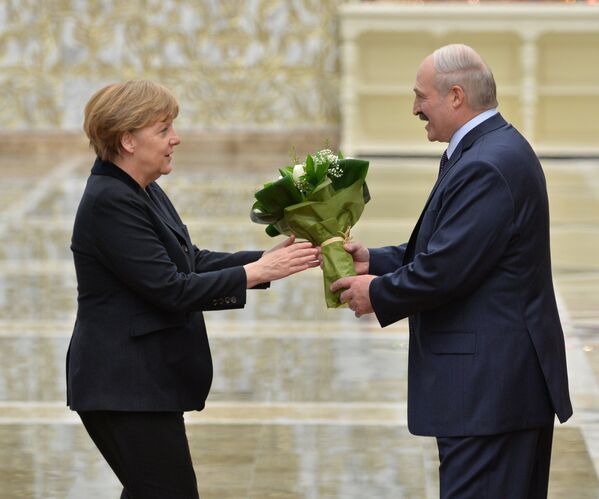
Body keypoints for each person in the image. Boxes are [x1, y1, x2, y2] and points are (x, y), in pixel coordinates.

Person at [331, 44, 572, 498]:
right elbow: (452, 248)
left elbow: (445, 270)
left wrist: (377, 293)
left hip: (491, 392)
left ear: (456, 96)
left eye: (421, 97)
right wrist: (375, 261)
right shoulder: (487, 149)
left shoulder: (487, 163)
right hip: (493, 390)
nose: (415, 108)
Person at [66, 79, 320, 499]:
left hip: (141, 385)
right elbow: (171, 288)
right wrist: (257, 272)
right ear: (128, 139)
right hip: (123, 386)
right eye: (163, 129)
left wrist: (268, 261)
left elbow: (191, 260)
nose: (175, 139)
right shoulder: (111, 199)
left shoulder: (140, 189)